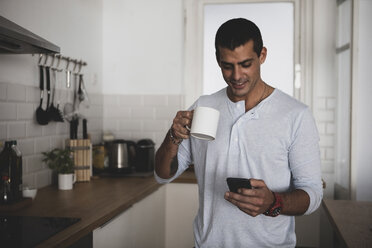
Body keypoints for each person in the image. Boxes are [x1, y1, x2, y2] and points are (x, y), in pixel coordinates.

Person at [155, 18, 323, 247]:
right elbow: (163, 175)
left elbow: (312, 193)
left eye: (245, 64)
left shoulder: (295, 115)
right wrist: (172, 137)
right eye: (227, 65)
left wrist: (274, 202)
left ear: (262, 55)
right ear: (218, 60)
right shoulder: (204, 107)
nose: (236, 75)